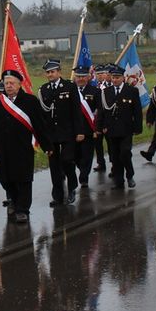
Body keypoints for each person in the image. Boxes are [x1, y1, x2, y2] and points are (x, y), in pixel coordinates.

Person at [0, 70, 52, 223]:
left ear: (19, 84)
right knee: (5, 179)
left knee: (23, 180)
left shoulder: (30, 101)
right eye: (6, 83)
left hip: (22, 148)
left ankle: (23, 210)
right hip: (3, 149)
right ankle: (14, 201)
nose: (8, 86)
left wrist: (47, 145)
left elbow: (39, 125)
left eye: (12, 83)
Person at [38, 58, 86, 206]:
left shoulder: (70, 87)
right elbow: (42, 115)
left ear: (59, 72)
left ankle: (72, 186)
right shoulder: (43, 90)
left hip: (68, 132)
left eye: (52, 72)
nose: (50, 75)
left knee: (66, 160)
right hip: (52, 134)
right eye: (48, 72)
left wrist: (80, 131)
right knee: (54, 166)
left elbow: (76, 111)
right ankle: (57, 195)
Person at [97, 63, 143, 189]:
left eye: (117, 77)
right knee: (115, 156)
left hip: (126, 128)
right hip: (111, 129)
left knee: (125, 152)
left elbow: (137, 111)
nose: (115, 80)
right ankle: (119, 180)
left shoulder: (131, 91)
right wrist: (99, 127)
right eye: (113, 77)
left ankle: (130, 175)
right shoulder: (105, 92)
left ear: (123, 78)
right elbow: (102, 111)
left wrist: (138, 127)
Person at [72, 65, 99, 185]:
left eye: (83, 76)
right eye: (78, 76)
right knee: (76, 155)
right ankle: (82, 169)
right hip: (74, 130)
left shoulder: (95, 91)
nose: (80, 79)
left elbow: (100, 112)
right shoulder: (70, 91)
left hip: (89, 129)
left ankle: (84, 177)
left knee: (87, 155)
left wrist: (96, 128)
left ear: (88, 77)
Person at [92, 64, 110, 171]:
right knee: (97, 144)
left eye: (101, 74)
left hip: (108, 120)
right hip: (97, 120)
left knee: (111, 144)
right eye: (97, 74)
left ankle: (114, 163)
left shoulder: (110, 87)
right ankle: (100, 163)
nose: (99, 76)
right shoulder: (95, 88)